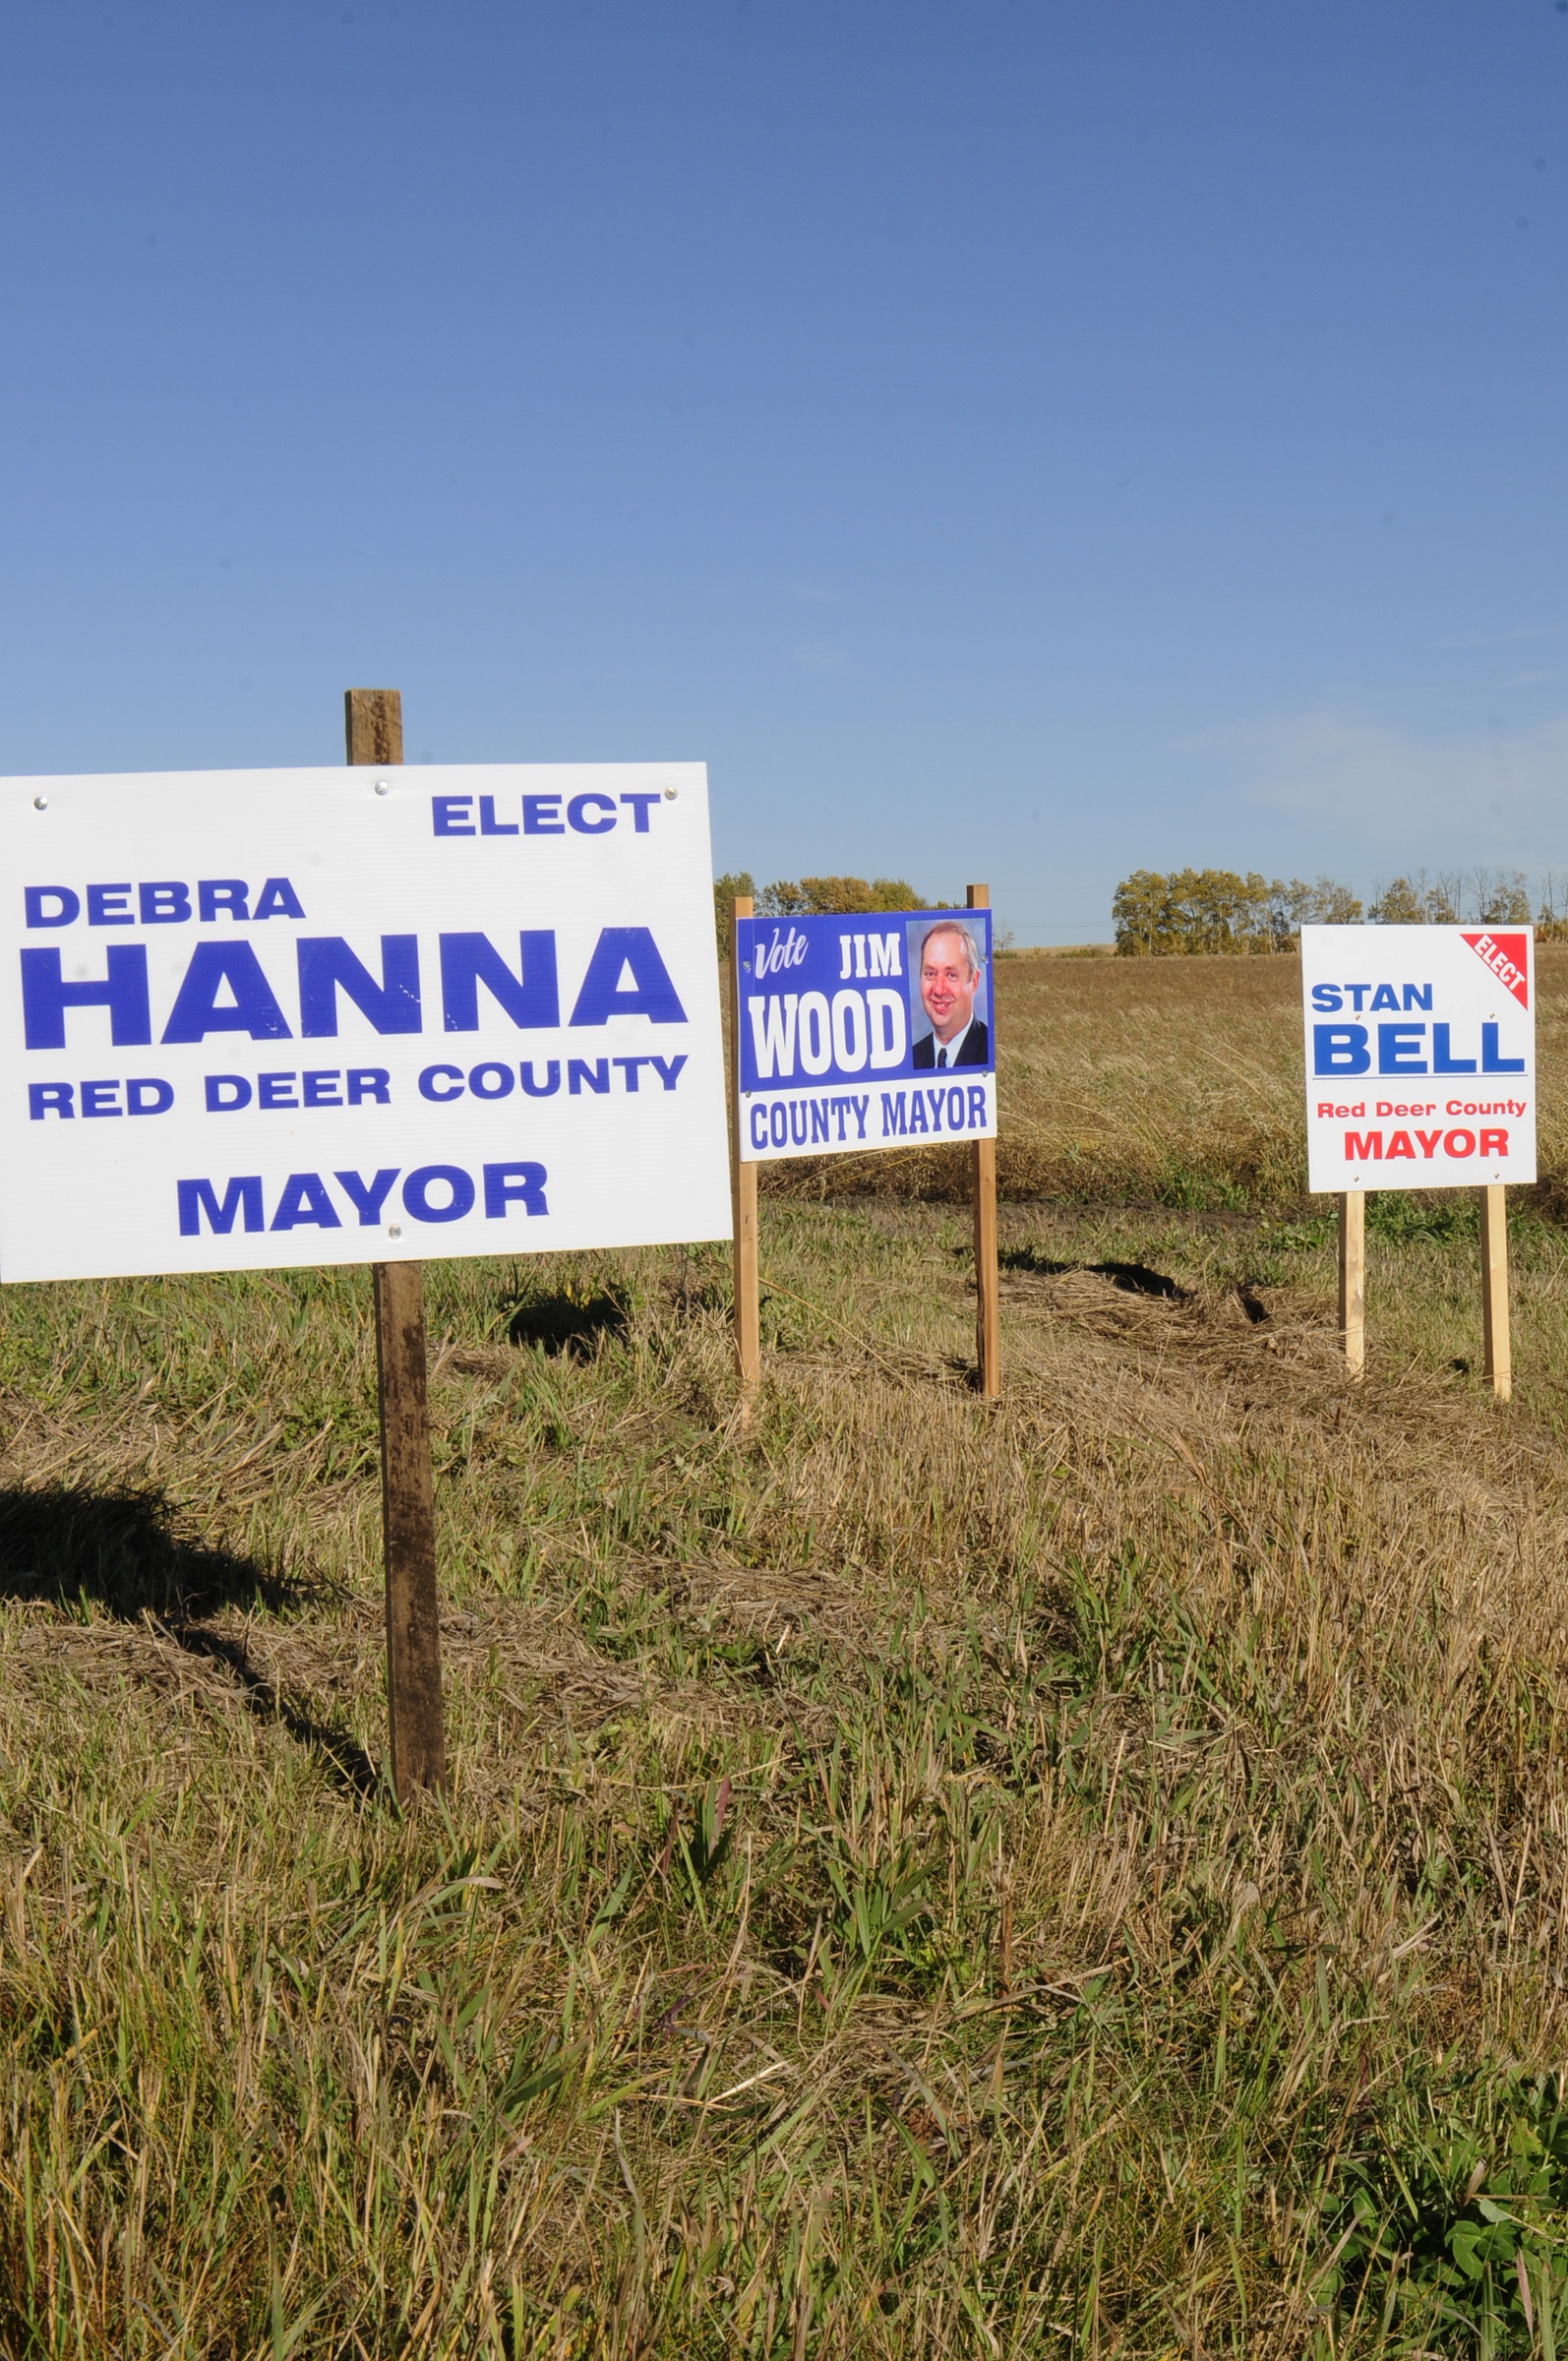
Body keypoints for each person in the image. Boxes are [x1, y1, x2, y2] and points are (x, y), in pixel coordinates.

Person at [913, 920, 990, 1067]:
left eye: (951, 975)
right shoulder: (913, 1057)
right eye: (930, 973)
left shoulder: (989, 1051)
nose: (939, 990)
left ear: (974, 982)